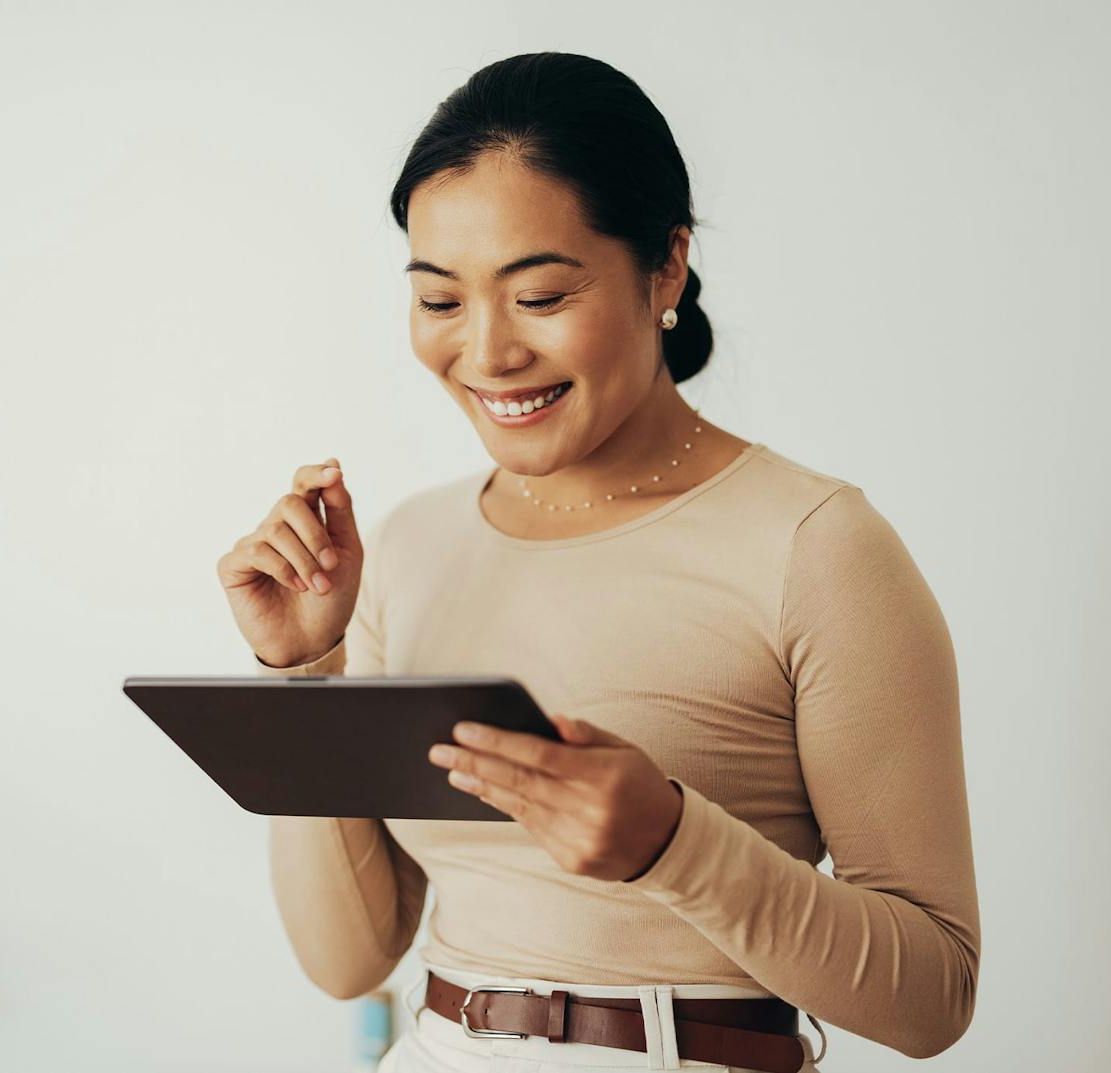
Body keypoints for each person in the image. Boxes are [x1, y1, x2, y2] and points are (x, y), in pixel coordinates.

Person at [216, 51, 979, 1073]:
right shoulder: (408, 544)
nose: (485, 353)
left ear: (665, 265)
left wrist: (673, 842)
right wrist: (305, 678)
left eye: (537, 295)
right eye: (440, 301)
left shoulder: (817, 547)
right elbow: (346, 958)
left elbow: (934, 996)